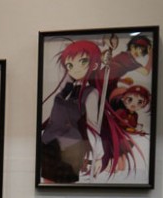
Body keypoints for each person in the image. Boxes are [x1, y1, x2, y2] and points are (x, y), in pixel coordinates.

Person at [40, 40, 140, 183]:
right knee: (47, 185)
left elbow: (92, 126)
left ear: (94, 65)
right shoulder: (66, 88)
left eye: (82, 62)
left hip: (69, 147)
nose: (75, 69)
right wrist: (101, 43)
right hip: (48, 143)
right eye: (70, 65)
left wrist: (99, 155)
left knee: (62, 188)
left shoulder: (90, 93)